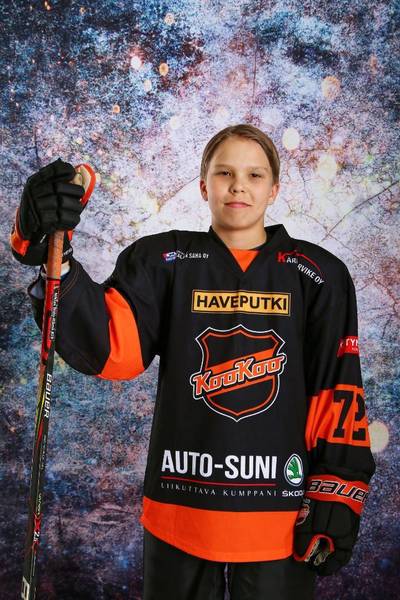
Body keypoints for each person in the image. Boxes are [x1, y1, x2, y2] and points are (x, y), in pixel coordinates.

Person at [10, 124, 376, 600]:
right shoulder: (164, 259)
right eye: (224, 173)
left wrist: (337, 486)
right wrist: (52, 257)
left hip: (278, 515)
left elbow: (338, 386)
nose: (239, 186)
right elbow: (112, 347)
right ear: (204, 186)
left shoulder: (318, 274)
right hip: (179, 504)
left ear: (274, 189)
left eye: (254, 175)